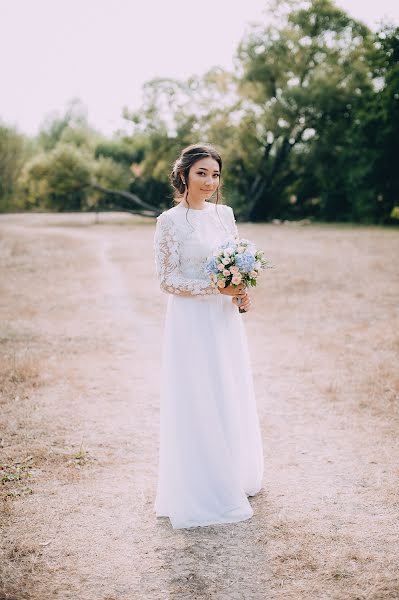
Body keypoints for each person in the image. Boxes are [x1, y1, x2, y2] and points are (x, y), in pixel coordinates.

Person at [153, 143, 264, 529]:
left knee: (227, 385)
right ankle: (202, 479)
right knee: (197, 391)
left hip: (223, 320)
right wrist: (215, 288)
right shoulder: (169, 221)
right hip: (190, 321)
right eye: (202, 173)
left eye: (215, 174)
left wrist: (240, 291)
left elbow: (237, 261)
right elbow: (167, 280)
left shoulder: (225, 216)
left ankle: (233, 470)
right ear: (184, 175)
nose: (209, 181)